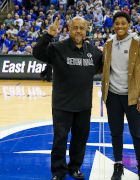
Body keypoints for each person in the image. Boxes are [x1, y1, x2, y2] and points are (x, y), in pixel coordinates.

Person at [33, 17, 102, 180]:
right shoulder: (57, 48)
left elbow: (106, 67)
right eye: (75, 28)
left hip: (84, 105)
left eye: (82, 28)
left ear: (86, 30)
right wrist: (48, 35)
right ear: (69, 29)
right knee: (60, 140)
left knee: (80, 140)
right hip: (62, 104)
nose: (79, 31)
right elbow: (37, 53)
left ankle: (75, 167)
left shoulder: (94, 52)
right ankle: (58, 171)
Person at [101, 12, 140, 180]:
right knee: (116, 133)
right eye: (117, 23)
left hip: (133, 97)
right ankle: (118, 164)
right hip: (113, 97)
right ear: (113, 25)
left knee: (137, 134)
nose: (120, 26)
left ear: (129, 24)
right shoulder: (109, 43)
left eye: (123, 23)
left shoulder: (138, 43)